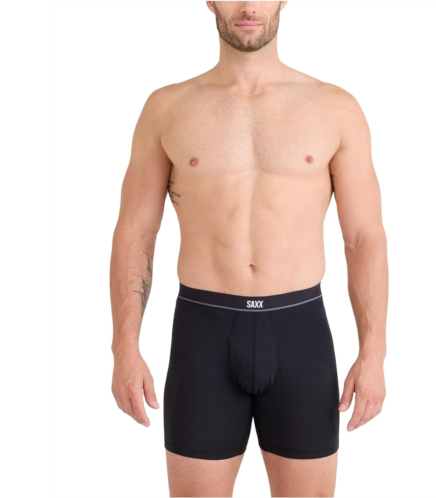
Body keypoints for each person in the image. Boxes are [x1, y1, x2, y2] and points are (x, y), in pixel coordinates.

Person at [110, 2, 388, 496]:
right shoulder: (167, 108)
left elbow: (364, 238)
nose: (247, 7)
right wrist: (124, 349)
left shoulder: (335, 108)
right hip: (202, 336)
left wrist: (374, 354)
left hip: (300, 335)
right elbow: (135, 232)